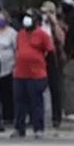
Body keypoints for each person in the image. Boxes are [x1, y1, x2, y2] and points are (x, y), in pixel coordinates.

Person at [13, 9, 55, 139]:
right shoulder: (20, 34)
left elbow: (50, 52)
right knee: (20, 102)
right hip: (20, 74)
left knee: (36, 102)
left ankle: (38, 128)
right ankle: (19, 128)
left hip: (37, 75)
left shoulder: (42, 35)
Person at [40, 0, 67, 130]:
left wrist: (53, 22)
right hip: (39, 57)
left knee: (55, 87)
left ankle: (57, 117)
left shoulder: (58, 25)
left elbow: (61, 38)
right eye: (44, 12)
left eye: (49, 12)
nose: (46, 15)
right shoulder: (38, 24)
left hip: (53, 57)